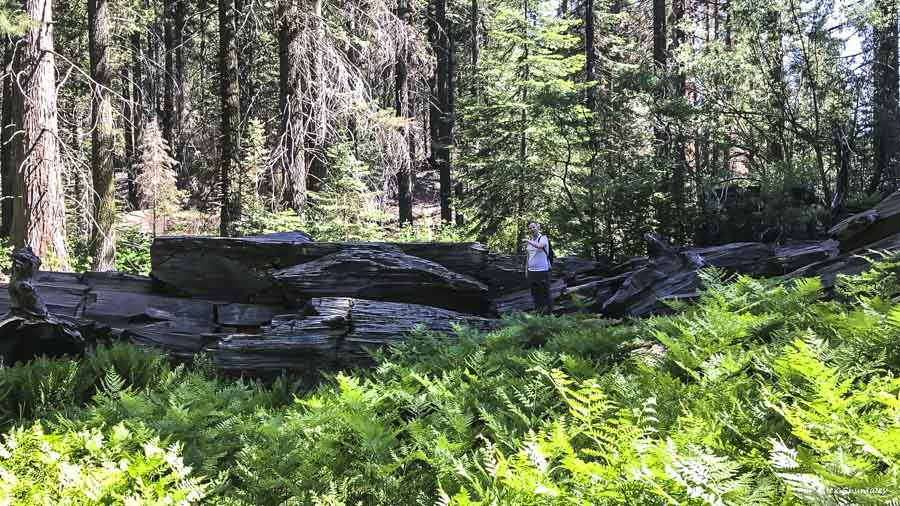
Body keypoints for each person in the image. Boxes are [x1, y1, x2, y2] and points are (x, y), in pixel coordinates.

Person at [523, 220, 552, 314]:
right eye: (530, 228)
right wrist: (526, 270)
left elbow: (540, 246)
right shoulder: (530, 241)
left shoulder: (543, 238)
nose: (531, 229)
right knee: (535, 294)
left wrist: (528, 240)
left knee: (545, 294)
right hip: (532, 272)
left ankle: (548, 315)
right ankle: (538, 314)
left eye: (533, 227)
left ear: (538, 227)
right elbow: (528, 256)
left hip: (542, 271)